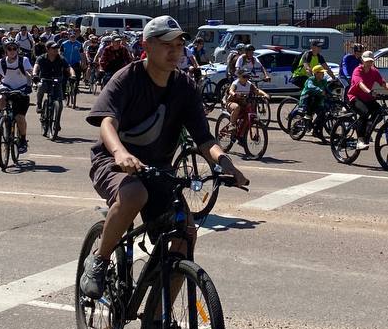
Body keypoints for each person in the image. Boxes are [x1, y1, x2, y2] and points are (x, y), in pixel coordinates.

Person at [80, 16, 249, 299]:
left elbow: (204, 138)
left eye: (180, 44)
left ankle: (158, 324)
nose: (175, 51)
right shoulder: (127, 78)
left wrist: (224, 162)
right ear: (147, 46)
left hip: (158, 171)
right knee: (133, 194)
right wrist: (120, 152)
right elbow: (107, 122)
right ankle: (98, 260)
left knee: (185, 234)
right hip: (112, 163)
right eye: (166, 44)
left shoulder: (183, 87)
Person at [347, 51, 388, 148]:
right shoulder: (357, 70)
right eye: (367, 61)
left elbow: (383, 83)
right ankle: (360, 140)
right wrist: (369, 91)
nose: (369, 63)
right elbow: (360, 84)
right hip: (355, 97)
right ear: (362, 61)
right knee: (364, 113)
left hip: (368, 98)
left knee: (380, 113)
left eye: (370, 61)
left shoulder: (374, 71)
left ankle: (368, 129)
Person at [0, 40, 34, 153]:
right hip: (7, 87)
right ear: (6, 50)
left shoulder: (24, 60)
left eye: (14, 49)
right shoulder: (1, 62)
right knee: (0, 99)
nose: (12, 51)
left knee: (19, 117)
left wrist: (29, 84)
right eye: (9, 49)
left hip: (22, 89)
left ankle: (22, 140)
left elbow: (29, 73)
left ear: (17, 50)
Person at [34, 41, 72, 129]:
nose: (56, 50)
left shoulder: (61, 58)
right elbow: (36, 66)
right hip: (45, 80)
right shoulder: (41, 58)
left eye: (57, 48)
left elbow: (69, 67)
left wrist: (72, 75)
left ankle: (57, 122)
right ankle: (39, 104)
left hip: (57, 81)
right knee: (41, 86)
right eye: (53, 48)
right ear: (47, 49)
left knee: (60, 104)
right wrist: (34, 74)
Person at [224, 68, 269, 135]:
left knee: (249, 112)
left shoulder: (249, 84)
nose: (246, 78)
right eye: (244, 76)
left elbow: (257, 91)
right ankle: (232, 124)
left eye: (247, 76)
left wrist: (265, 94)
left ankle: (241, 134)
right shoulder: (236, 83)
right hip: (232, 102)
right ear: (239, 77)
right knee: (237, 107)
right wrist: (234, 94)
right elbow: (231, 90)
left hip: (243, 103)